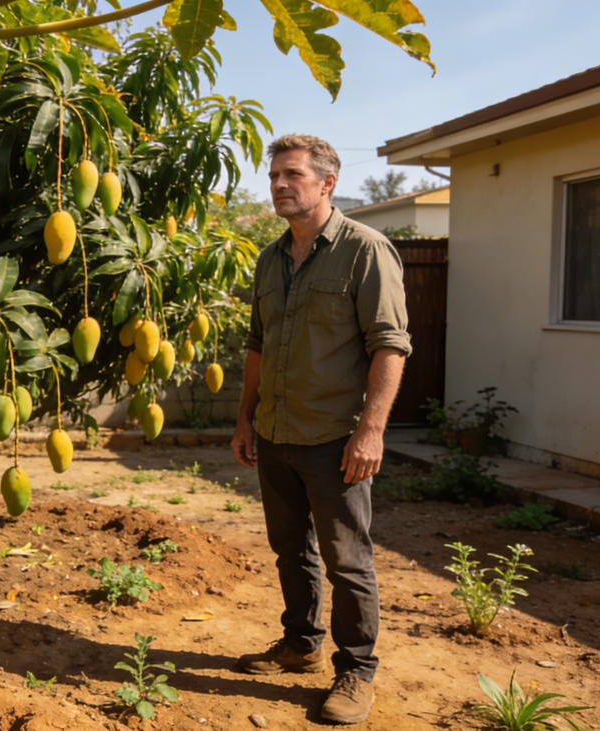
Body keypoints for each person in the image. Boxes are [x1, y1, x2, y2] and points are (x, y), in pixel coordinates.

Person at [229, 134, 410, 725]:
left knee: (348, 561)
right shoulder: (270, 258)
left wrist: (371, 431)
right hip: (276, 432)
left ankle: (356, 670)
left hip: (335, 439)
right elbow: (257, 344)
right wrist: (245, 417)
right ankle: (300, 644)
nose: (279, 185)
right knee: (290, 550)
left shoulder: (365, 251)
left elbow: (390, 346)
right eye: (274, 175)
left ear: (327, 182)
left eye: (292, 175)